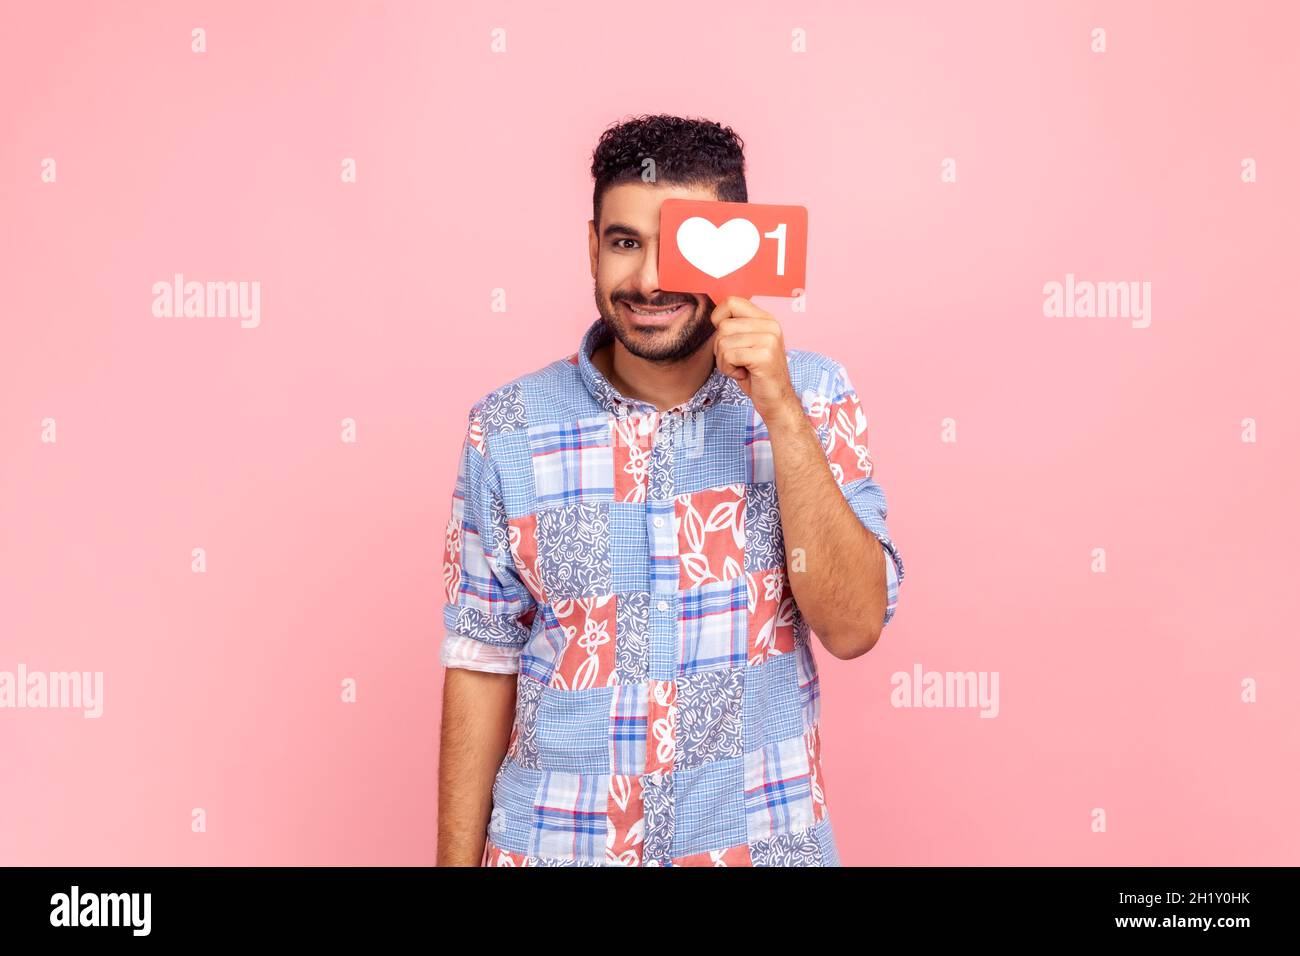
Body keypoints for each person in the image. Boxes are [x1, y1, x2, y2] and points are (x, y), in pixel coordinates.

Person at [436, 114, 904, 867]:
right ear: (593, 248)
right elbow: (481, 662)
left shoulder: (814, 397)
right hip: (554, 848)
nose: (650, 279)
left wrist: (781, 413)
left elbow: (853, 628)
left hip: (759, 848)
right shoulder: (507, 428)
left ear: (738, 248)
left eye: (682, 246)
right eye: (625, 243)